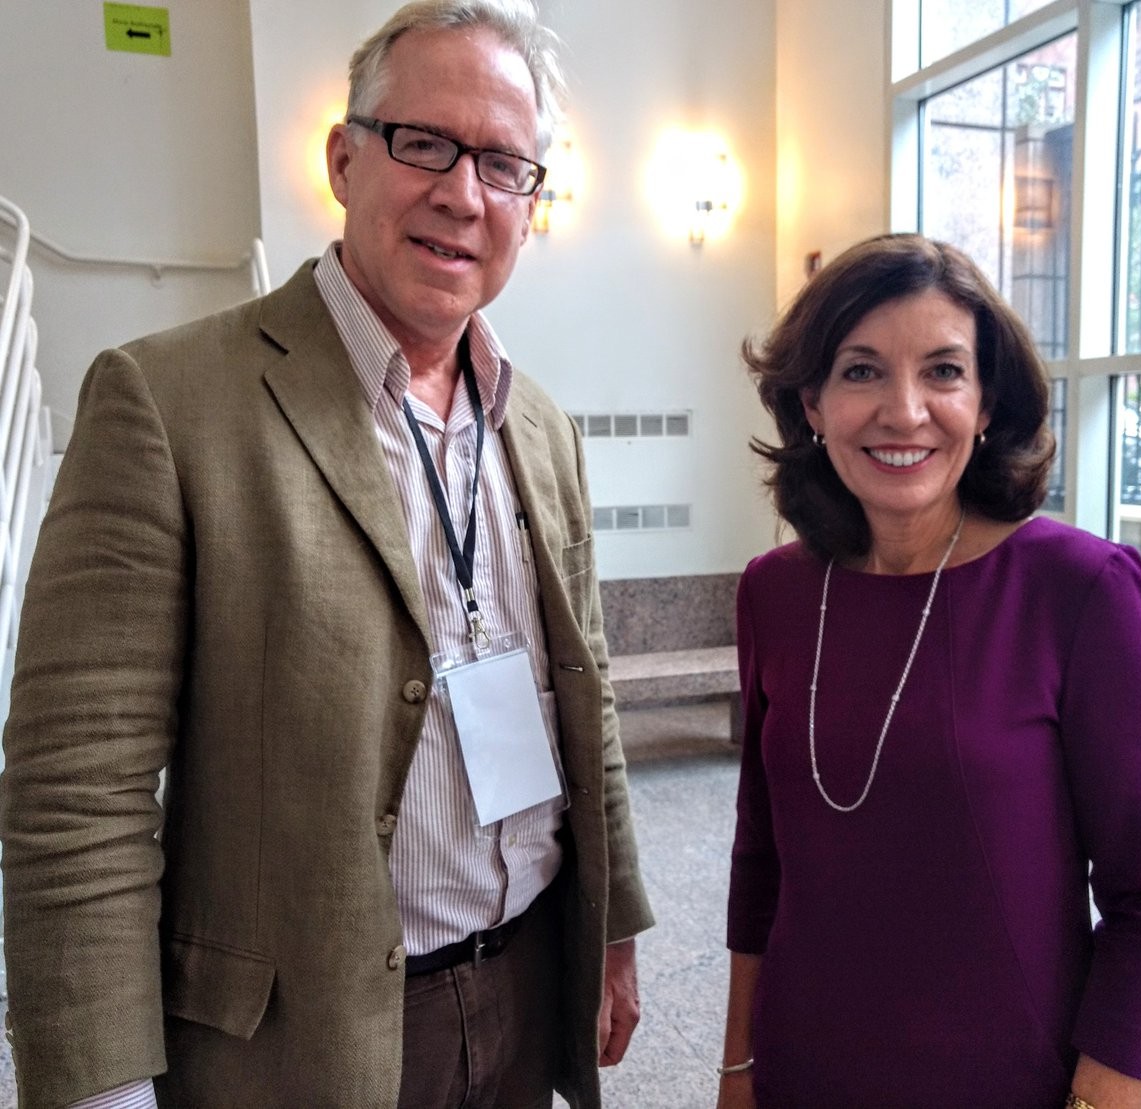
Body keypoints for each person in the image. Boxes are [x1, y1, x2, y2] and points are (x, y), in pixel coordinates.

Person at [0, 2, 653, 1106]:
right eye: (424, 143)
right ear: (344, 157)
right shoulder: (167, 403)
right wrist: (100, 1086)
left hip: (529, 984)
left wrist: (617, 917)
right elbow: (79, 794)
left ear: (532, 204)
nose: (462, 191)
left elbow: (582, 699)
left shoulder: (537, 423)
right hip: (300, 1038)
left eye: (504, 163)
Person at [717, 233, 1141, 1109]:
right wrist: (739, 1067)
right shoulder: (775, 594)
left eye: (943, 371)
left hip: (1009, 1077)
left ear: (984, 404)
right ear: (812, 403)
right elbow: (762, 860)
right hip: (806, 1067)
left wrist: (1103, 1101)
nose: (904, 412)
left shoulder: (1078, 589)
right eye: (861, 371)